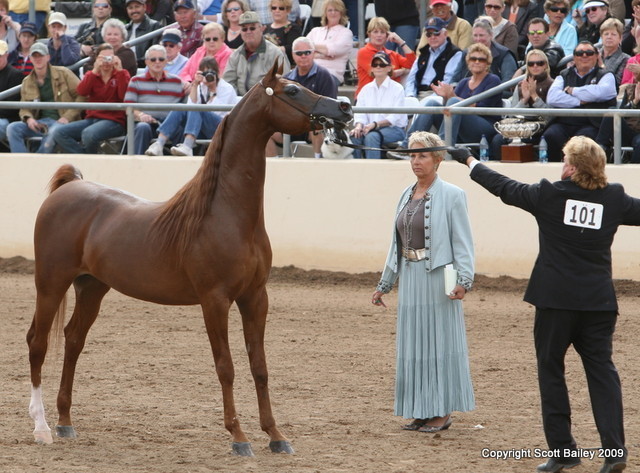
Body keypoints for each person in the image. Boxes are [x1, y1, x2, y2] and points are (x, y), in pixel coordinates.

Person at [452, 135, 636, 473]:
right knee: (602, 374)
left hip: (556, 301)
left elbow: (504, 187)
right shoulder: (614, 198)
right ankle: (614, 451)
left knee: (551, 371)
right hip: (597, 302)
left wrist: (469, 161)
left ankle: (564, 451)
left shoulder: (550, 194)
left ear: (571, 166)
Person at [372, 131, 475, 434]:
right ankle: (421, 410)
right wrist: (385, 283)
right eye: (412, 155)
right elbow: (396, 243)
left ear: (437, 159)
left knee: (438, 344)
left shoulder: (453, 194)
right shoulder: (405, 194)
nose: (416, 161)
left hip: (438, 278)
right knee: (414, 346)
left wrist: (464, 280)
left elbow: (463, 242)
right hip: (411, 277)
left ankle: (440, 413)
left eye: (422, 155)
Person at [399, 43, 502, 154]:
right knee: (432, 104)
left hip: (484, 127)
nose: (476, 62)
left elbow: (481, 108)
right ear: (468, 61)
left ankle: (442, 149)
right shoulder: (463, 82)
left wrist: (452, 97)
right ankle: (407, 147)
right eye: (473, 58)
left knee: (454, 102)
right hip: (461, 126)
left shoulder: (493, 80)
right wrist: (445, 97)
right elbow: (449, 107)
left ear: (487, 63)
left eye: (481, 59)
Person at [145, 56, 239, 156]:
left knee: (197, 108)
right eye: (205, 73)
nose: (208, 76)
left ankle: (188, 145)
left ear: (217, 73)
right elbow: (189, 107)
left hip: (221, 128)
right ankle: (159, 143)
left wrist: (213, 90)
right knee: (180, 107)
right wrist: (195, 85)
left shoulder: (226, 88)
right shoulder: (200, 86)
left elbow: (217, 112)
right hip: (201, 127)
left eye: (211, 73)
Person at [542, 41, 616, 162]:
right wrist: (579, 102)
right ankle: (555, 171)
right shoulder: (564, 75)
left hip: (592, 124)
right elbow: (552, 97)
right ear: (574, 57)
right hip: (564, 123)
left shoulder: (606, 75)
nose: (584, 56)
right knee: (551, 135)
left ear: (597, 56)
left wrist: (572, 90)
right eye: (580, 53)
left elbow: (601, 92)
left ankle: (581, 174)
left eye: (589, 53)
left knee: (582, 140)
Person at [50, 43, 130, 154]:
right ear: (97, 59)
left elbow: (124, 96)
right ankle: (83, 159)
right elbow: (82, 91)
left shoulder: (122, 74)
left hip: (114, 121)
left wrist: (120, 70)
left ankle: (87, 162)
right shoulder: (91, 74)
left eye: (109, 58)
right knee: (58, 132)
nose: (106, 61)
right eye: (103, 58)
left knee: (88, 134)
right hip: (92, 119)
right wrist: (95, 71)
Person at [265, 37, 337, 158]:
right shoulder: (286, 79)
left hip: (313, 125)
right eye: (299, 53)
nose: (303, 56)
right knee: (264, 129)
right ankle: (275, 166)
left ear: (313, 53)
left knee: (317, 126)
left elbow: (330, 107)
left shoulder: (324, 76)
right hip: (290, 125)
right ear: (293, 55)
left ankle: (318, 162)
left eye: (307, 52)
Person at [7, 42, 82, 153]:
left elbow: (82, 95)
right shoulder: (27, 81)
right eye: (34, 56)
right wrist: (29, 118)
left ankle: (37, 164)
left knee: (53, 131)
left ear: (48, 57)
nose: (38, 59)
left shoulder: (64, 73)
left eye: (41, 55)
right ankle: (22, 163)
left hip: (63, 122)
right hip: (40, 123)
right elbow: (24, 107)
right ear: (30, 59)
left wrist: (67, 117)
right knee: (12, 128)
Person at [491, 49, 554, 159]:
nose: (535, 66)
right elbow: (512, 115)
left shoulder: (553, 84)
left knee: (524, 141)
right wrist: (524, 100)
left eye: (539, 63)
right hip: (521, 125)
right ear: (527, 66)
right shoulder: (520, 85)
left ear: (545, 65)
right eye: (531, 63)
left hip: (541, 127)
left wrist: (535, 96)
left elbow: (550, 117)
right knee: (497, 140)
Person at [125, 45, 186, 155]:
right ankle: (137, 164)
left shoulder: (177, 82)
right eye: (153, 59)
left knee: (181, 129)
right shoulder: (135, 80)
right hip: (146, 123)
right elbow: (128, 108)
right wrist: (140, 115)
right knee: (142, 128)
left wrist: (192, 87)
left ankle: (181, 166)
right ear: (147, 62)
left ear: (166, 61)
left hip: (169, 124)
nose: (157, 62)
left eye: (161, 59)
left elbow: (189, 103)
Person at [349, 52, 407, 159]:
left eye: (382, 64)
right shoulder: (365, 89)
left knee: (372, 137)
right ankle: (356, 171)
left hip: (395, 130)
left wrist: (374, 125)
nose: (378, 67)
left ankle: (373, 172)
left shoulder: (397, 88)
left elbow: (394, 118)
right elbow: (360, 114)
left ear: (389, 68)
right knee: (354, 136)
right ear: (372, 68)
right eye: (375, 65)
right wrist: (358, 126)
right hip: (370, 128)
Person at [222, 10, 290, 95]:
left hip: (268, 102)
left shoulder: (276, 53)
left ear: (261, 29)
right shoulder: (236, 55)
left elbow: (284, 83)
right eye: (244, 29)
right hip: (240, 103)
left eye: (252, 28)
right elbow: (228, 83)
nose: (248, 31)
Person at [404, 16, 464, 100]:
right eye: (429, 34)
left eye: (436, 33)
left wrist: (428, 99)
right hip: (418, 94)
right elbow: (411, 79)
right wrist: (410, 96)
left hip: (438, 97)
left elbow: (448, 81)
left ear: (445, 34)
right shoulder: (423, 52)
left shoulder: (454, 53)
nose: (433, 37)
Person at [355, 16, 416, 97]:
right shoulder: (363, 52)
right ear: (369, 34)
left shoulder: (392, 54)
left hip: (389, 97)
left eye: (382, 32)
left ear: (387, 35)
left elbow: (413, 64)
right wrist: (402, 71)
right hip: (367, 97)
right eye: (375, 32)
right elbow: (378, 73)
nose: (379, 35)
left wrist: (400, 41)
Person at [596, 68, 640, 162]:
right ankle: (600, 149)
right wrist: (635, 102)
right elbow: (622, 115)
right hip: (629, 130)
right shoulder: (630, 90)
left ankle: (633, 171)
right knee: (612, 112)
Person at [305, 0, 353, 85]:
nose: (333, 13)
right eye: (330, 10)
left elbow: (334, 49)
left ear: (341, 13)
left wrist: (313, 49)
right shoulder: (315, 31)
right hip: (310, 72)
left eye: (336, 10)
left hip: (331, 75)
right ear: (325, 13)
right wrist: (323, 54)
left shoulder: (346, 33)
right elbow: (304, 48)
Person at [464, 17, 518, 84]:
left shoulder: (504, 54)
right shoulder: (466, 53)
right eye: (475, 35)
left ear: (491, 35)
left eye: (481, 35)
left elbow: (507, 83)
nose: (478, 39)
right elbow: (456, 78)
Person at [125, 0, 162, 69]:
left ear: (144, 7)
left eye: (137, 7)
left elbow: (154, 53)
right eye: (130, 8)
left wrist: (132, 64)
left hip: (145, 70)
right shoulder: (125, 29)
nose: (134, 10)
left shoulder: (155, 26)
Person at [0, 39, 24, 146]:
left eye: (0, 55)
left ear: (7, 55)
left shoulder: (15, 75)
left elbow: (13, 109)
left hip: (9, 120)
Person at [264, 0, 302, 64]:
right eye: (274, 8)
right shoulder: (265, 28)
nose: (277, 10)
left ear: (288, 11)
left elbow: (292, 48)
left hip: (284, 63)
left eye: (281, 8)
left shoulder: (293, 28)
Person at [597, 18, 629, 86]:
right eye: (606, 34)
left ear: (620, 38)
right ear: (601, 37)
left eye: (613, 34)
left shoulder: (625, 59)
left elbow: (616, 83)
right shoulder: (593, 55)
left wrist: (601, 65)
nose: (609, 37)